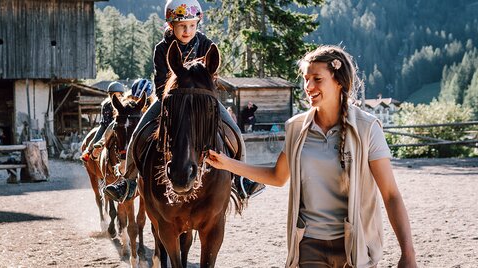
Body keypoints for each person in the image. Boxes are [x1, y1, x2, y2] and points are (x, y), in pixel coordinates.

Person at [205, 45, 417, 267]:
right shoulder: (296, 128)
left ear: (339, 81)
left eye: (317, 79)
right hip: (308, 246)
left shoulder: (367, 128)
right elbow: (278, 177)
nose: (309, 86)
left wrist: (408, 252)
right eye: (306, 79)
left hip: (356, 246)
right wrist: (228, 164)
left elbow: (391, 194)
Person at [104, 0, 265, 203]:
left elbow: (211, 76)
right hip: (171, 100)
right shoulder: (162, 49)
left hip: (202, 100)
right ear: (171, 26)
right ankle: (128, 181)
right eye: (182, 26)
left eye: (191, 25)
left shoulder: (205, 44)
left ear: (197, 24)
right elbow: (161, 81)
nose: (187, 30)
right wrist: (174, 99)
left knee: (234, 131)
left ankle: (242, 179)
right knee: (138, 132)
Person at [81, 81, 125, 162]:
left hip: (119, 125)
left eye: (119, 95)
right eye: (114, 95)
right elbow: (106, 120)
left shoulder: (123, 104)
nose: (117, 97)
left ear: (122, 95)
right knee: (96, 138)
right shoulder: (106, 104)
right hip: (106, 125)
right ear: (110, 95)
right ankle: (88, 151)